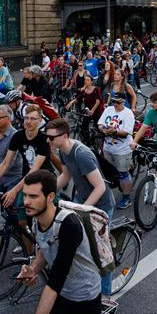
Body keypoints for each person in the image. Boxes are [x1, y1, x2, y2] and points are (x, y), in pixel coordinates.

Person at [18, 170, 102, 314]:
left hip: (85, 296)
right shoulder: (36, 217)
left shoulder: (69, 225)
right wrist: (33, 269)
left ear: (50, 197)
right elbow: (44, 248)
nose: (26, 202)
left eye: (33, 196)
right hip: (63, 292)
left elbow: (56, 279)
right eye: (25, 195)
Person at [46, 118, 116, 297]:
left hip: (100, 205)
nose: (48, 141)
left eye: (51, 138)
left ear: (64, 136)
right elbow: (66, 175)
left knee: (100, 253)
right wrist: (47, 192)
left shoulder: (81, 154)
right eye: (47, 137)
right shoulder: (63, 150)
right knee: (80, 246)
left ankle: (105, 296)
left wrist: (82, 211)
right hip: (81, 199)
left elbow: (100, 187)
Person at [98, 92, 135, 210]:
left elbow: (126, 132)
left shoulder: (128, 113)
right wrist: (102, 128)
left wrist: (113, 132)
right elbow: (100, 123)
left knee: (123, 173)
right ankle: (108, 195)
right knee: (108, 173)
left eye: (118, 102)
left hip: (122, 149)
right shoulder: (109, 109)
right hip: (108, 148)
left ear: (124, 101)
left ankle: (126, 197)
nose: (115, 104)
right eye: (113, 101)